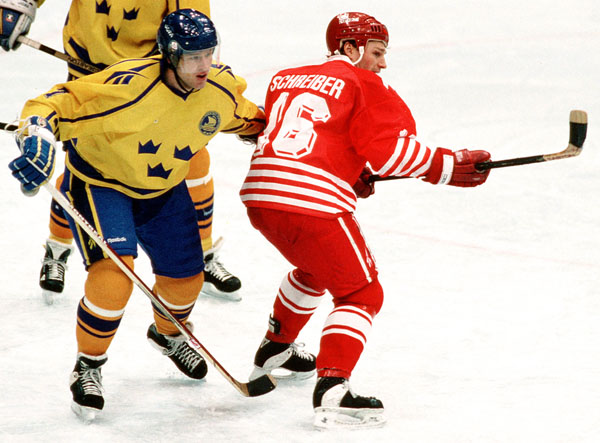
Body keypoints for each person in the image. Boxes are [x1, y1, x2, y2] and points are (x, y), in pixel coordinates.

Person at [8, 9, 265, 421]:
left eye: (209, 55)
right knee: (114, 277)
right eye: (192, 57)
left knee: (186, 280)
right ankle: (88, 367)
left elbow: (252, 119)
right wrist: (37, 135)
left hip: (163, 190)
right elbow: (49, 105)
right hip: (101, 184)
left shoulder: (219, 88)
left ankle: (167, 336)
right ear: (169, 54)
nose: (204, 66)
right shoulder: (124, 88)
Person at [239, 12, 491, 428]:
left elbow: (307, 136)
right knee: (361, 292)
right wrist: (449, 166)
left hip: (260, 197)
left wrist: (350, 170)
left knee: (316, 268)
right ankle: (334, 389)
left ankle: (276, 346)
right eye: (376, 52)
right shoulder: (363, 83)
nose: (382, 63)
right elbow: (391, 152)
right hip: (310, 203)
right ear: (349, 48)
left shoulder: (286, 76)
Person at [1, 0, 243, 304]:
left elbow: (193, 24)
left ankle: (203, 252)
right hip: (90, 66)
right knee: (87, 160)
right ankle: (58, 245)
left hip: (150, 79)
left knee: (188, 154)